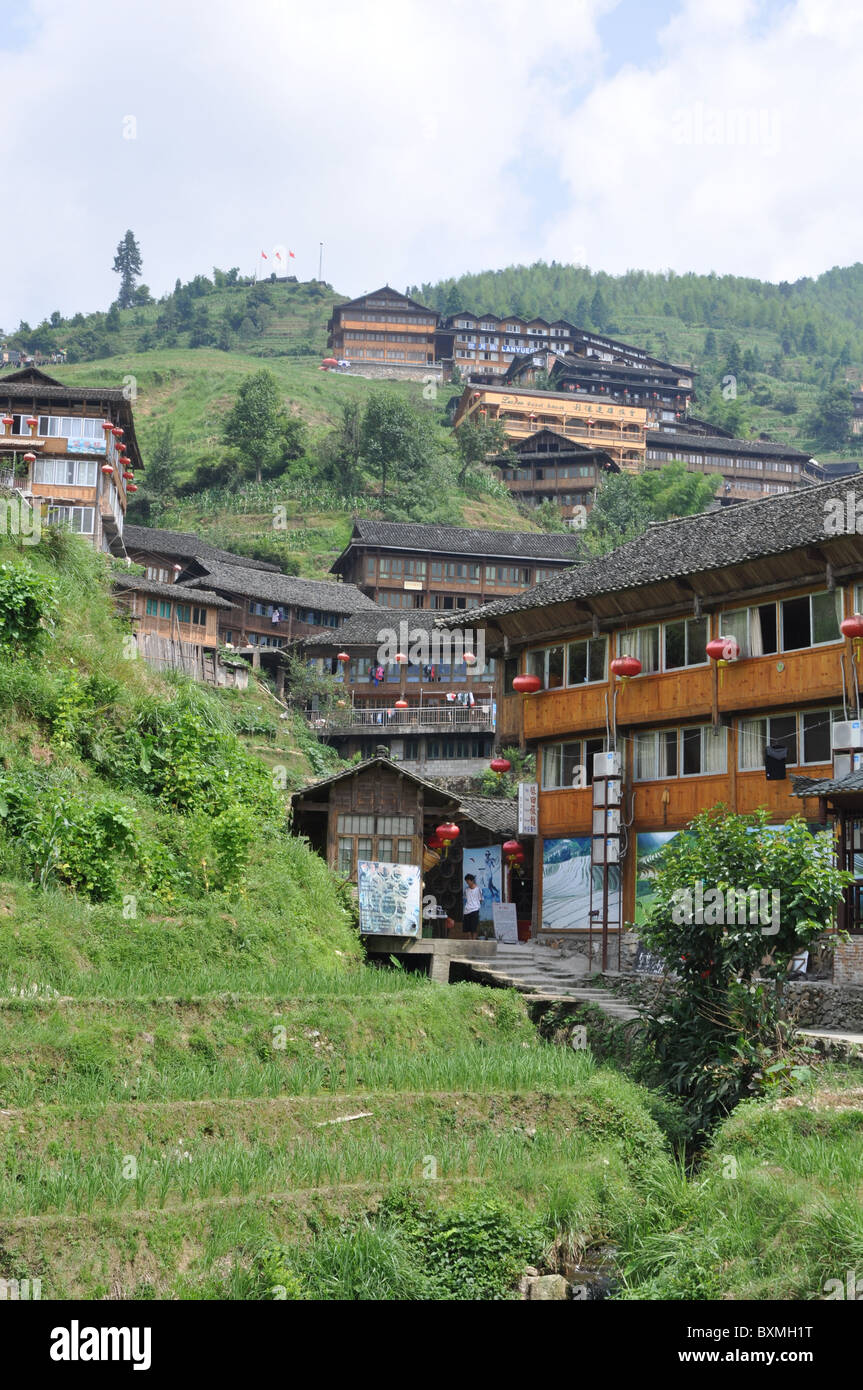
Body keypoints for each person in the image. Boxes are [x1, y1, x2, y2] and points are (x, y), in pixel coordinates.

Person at [463, 874, 481, 939]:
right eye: (466, 882)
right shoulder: (466, 890)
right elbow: (465, 898)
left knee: (474, 928)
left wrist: (476, 905)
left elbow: (481, 899)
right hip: (467, 911)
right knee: (468, 928)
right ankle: (470, 941)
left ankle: (474, 941)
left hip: (475, 910)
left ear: (472, 880)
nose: (467, 883)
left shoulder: (478, 889)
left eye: (468, 881)